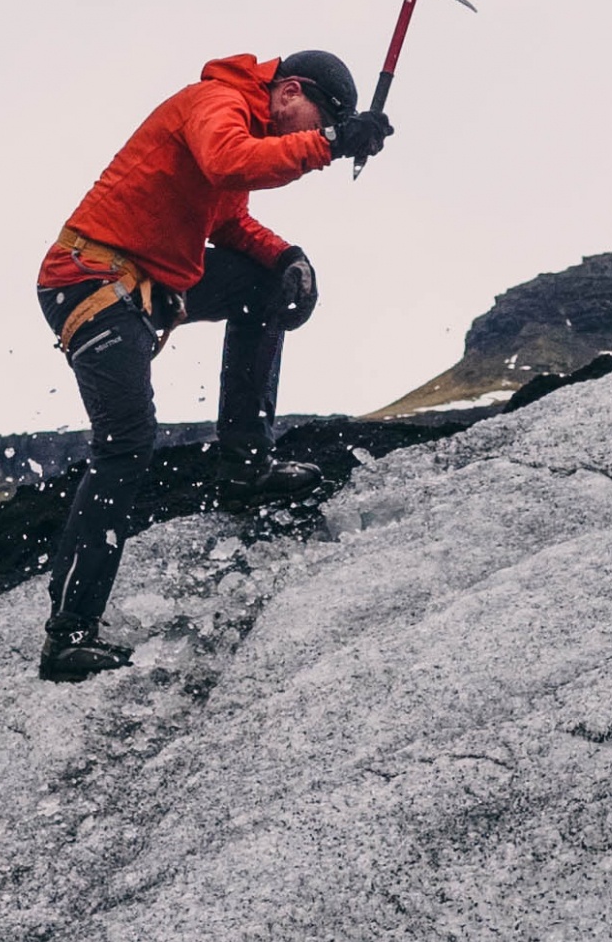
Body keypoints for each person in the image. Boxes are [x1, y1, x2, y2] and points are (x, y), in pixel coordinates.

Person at [35, 47, 392, 681]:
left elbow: (230, 223)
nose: (310, 137)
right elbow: (229, 162)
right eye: (312, 120)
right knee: (127, 445)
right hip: (89, 280)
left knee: (262, 283)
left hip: (146, 285)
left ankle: (245, 467)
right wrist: (334, 142)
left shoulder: (250, 125)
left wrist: (289, 259)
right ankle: (68, 637)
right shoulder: (217, 105)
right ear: (288, 93)